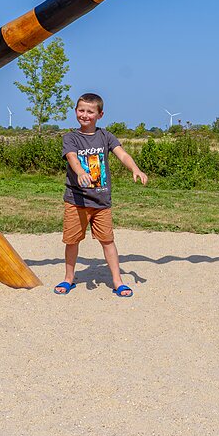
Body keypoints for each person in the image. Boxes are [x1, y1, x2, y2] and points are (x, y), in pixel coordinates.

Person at [54, 93, 148, 297]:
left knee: (107, 241)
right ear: (75, 111)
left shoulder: (106, 136)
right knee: (72, 241)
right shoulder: (71, 138)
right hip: (76, 200)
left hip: (101, 201)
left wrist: (135, 169)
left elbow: (122, 153)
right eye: (81, 110)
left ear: (100, 114)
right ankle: (68, 278)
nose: (85, 115)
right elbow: (72, 158)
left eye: (90, 111)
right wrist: (80, 173)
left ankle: (117, 281)